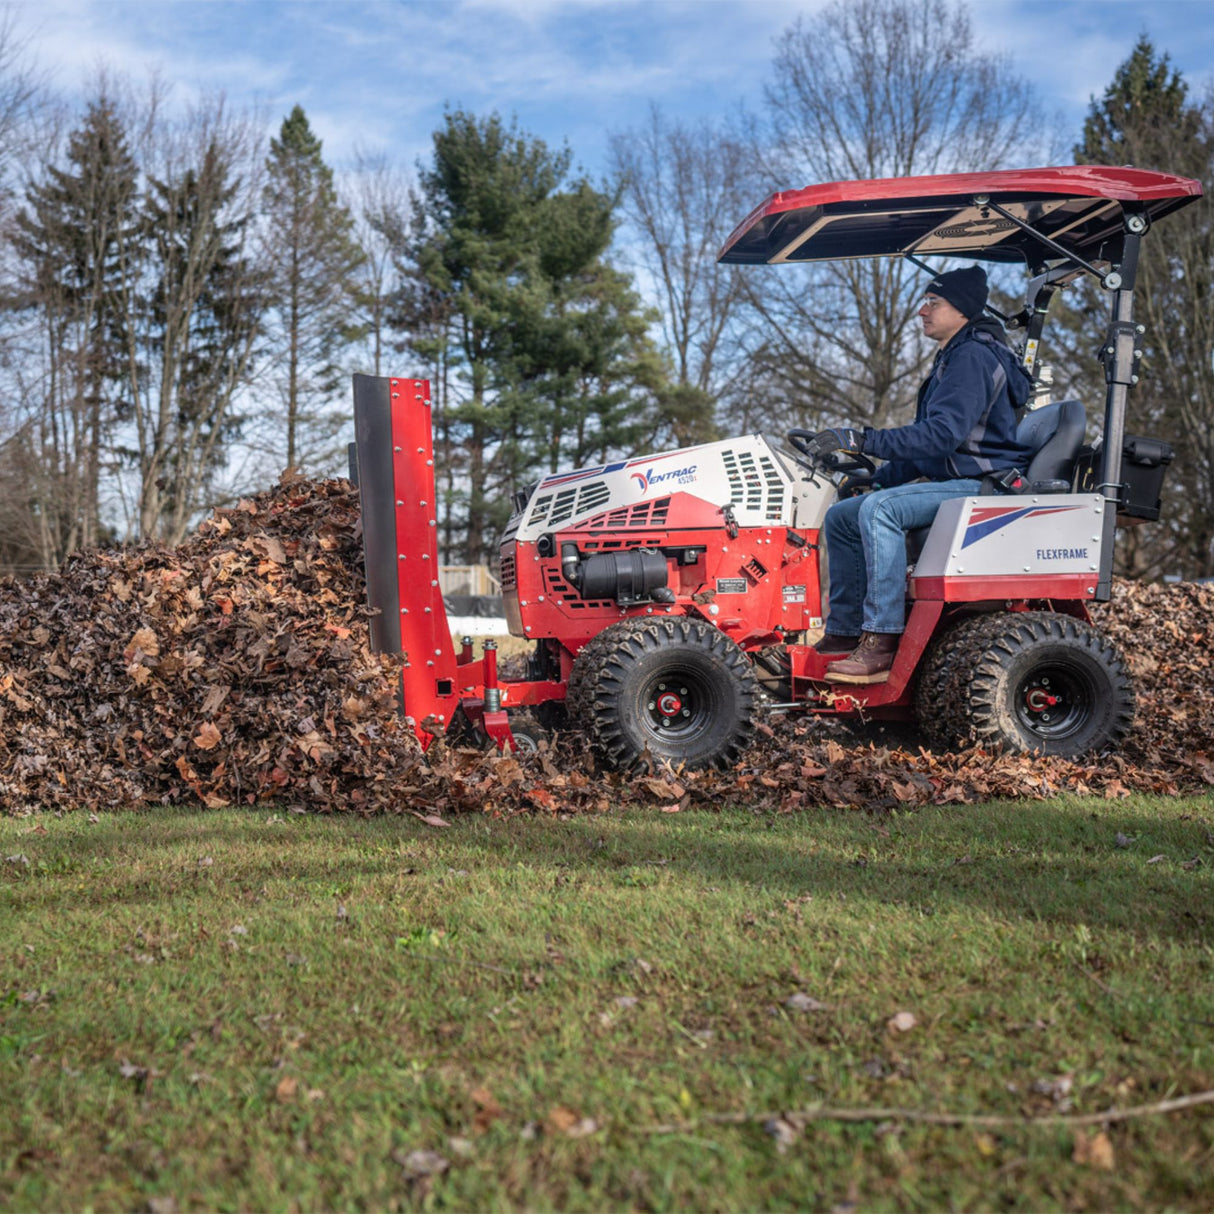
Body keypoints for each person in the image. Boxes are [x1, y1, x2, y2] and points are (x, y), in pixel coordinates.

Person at [802, 265, 1032, 680]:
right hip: (958, 481)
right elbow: (929, 450)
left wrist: (861, 440)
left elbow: (941, 437)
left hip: (985, 486)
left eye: (933, 302)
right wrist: (877, 478)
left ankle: (881, 640)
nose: (922, 311)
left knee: (881, 510)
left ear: (961, 309)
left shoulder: (972, 357)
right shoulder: (955, 355)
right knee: (842, 516)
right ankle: (844, 632)